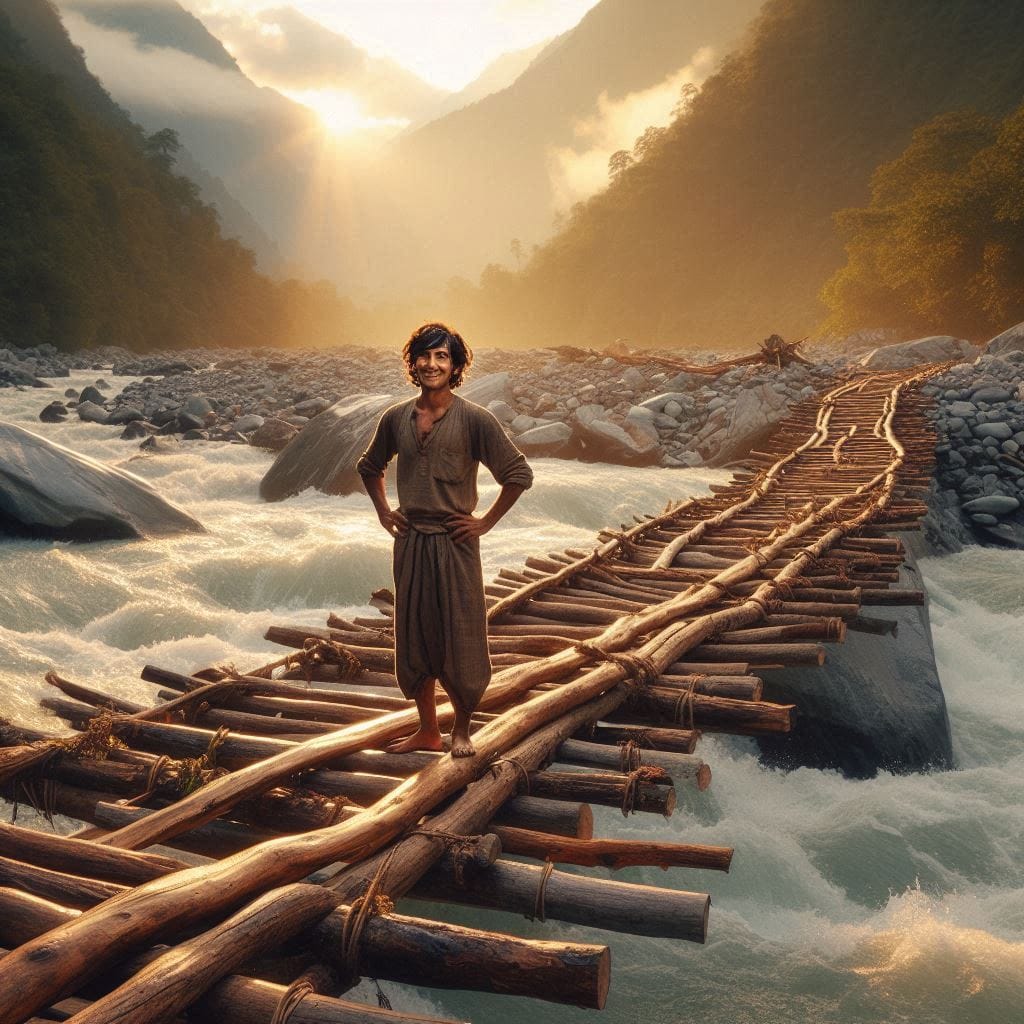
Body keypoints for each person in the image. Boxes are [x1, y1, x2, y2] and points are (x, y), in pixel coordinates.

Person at [356, 323, 533, 757]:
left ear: (455, 366)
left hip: (456, 543)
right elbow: (369, 466)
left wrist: (485, 522)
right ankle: (428, 730)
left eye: (442, 357)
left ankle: (462, 731)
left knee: (461, 631)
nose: (432, 364)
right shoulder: (396, 418)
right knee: (415, 633)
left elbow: (519, 474)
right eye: (425, 356)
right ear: (412, 363)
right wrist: (383, 510)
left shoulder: (475, 419)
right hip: (411, 540)